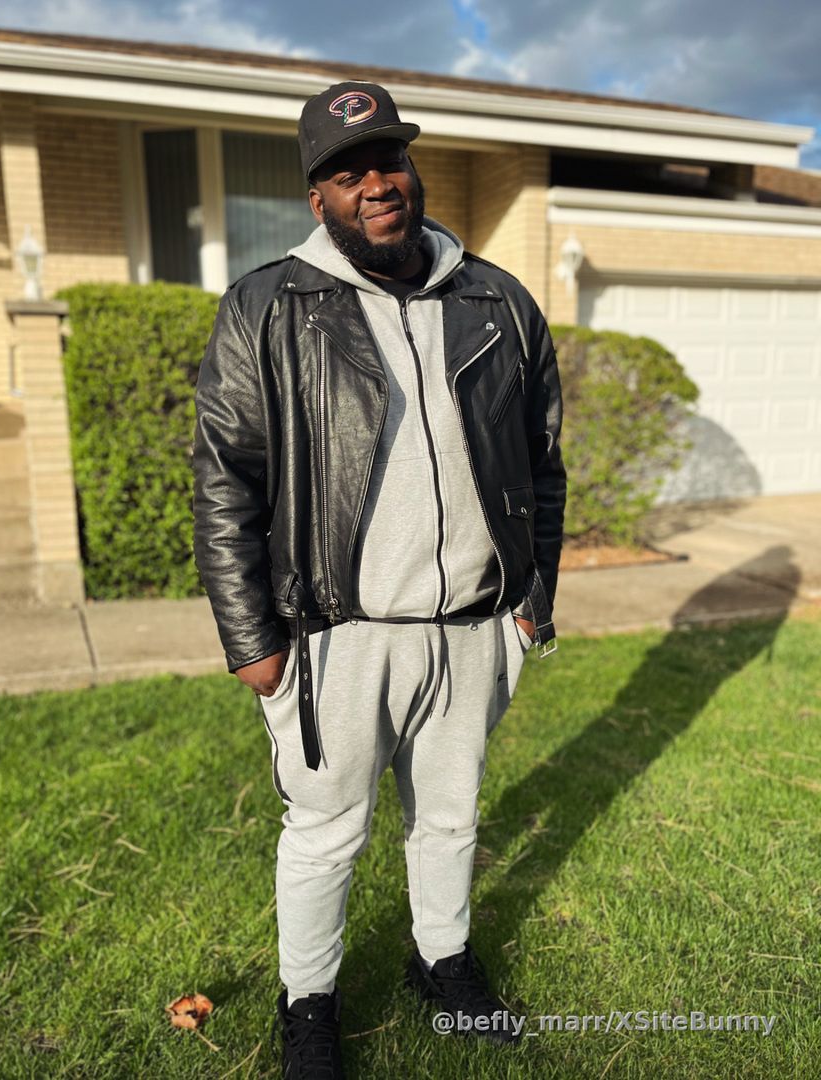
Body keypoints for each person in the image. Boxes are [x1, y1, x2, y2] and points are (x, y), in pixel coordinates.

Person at [191, 79, 567, 1079]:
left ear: (412, 167)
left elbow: (541, 464)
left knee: (451, 817)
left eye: (388, 160)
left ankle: (442, 963)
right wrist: (251, 638)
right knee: (326, 832)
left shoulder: (497, 300)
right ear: (317, 197)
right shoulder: (269, 306)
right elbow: (226, 479)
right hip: (337, 636)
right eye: (348, 172)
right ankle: (309, 1002)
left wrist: (532, 602)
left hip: (473, 628)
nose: (376, 184)